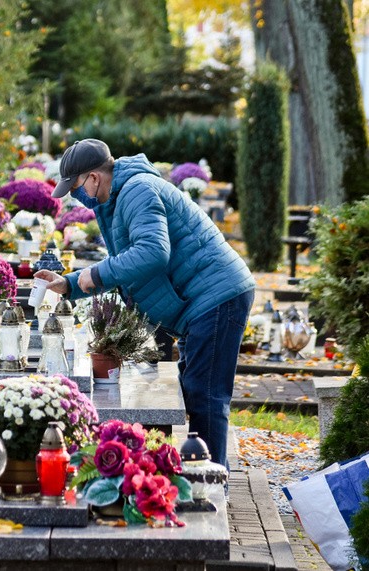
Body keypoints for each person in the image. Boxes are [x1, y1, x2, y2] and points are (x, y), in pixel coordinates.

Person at [36, 139, 254, 469]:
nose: (74, 195)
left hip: (218, 295)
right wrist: (68, 285)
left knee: (206, 395)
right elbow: (125, 264)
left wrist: (91, 276)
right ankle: (201, 471)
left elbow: (152, 253)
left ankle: (211, 483)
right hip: (205, 299)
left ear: (94, 178)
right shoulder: (116, 199)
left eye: (76, 186)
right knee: (196, 390)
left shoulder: (137, 190)